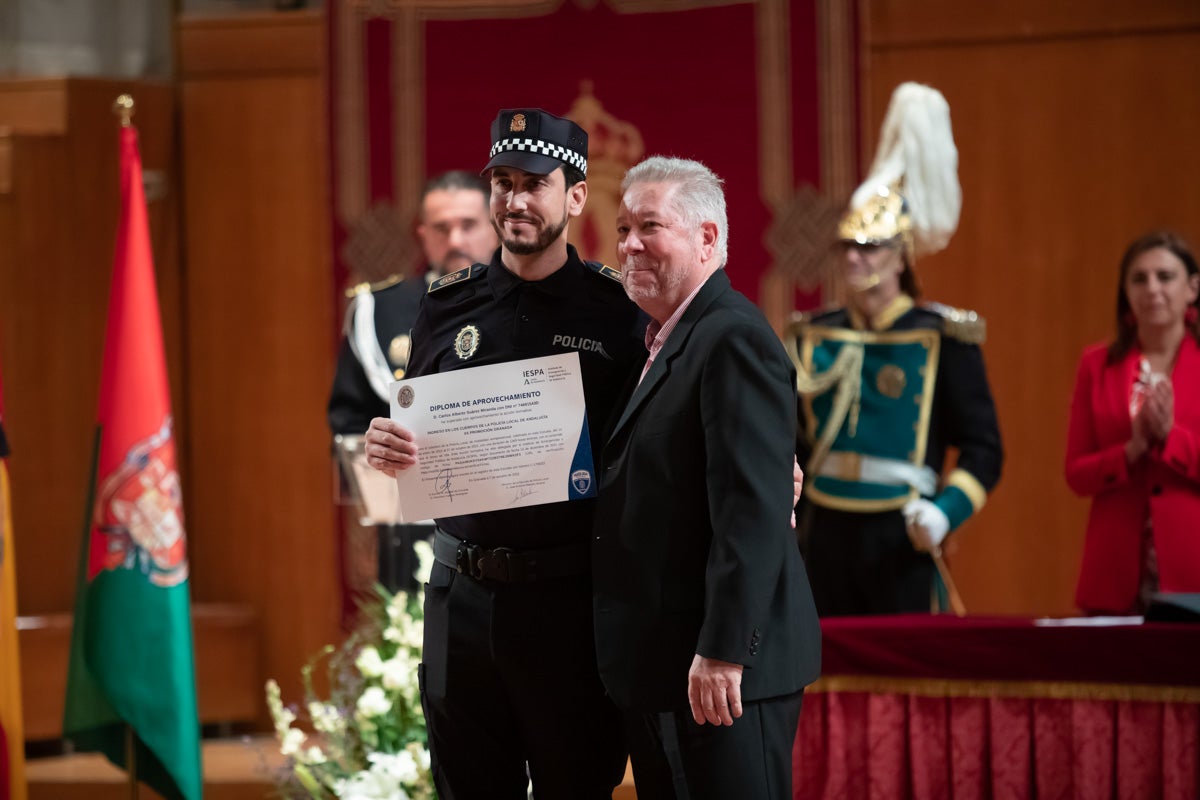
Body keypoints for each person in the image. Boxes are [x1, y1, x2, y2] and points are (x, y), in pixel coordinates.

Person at [363, 108, 647, 799]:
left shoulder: (617, 311)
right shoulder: (444, 306)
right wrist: (388, 446)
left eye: (535, 184)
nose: (515, 200)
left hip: (569, 604)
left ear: (575, 197)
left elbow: (656, 438)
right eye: (503, 182)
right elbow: (418, 429)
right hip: (462, 599)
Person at [591, 156, 821, 799]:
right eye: (622, 229)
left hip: (722, 674)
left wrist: (724, 651)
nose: (628, 244)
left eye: (649, 227)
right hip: (668, 665)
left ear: (707, 238)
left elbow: (752, 511)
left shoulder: (730, 339)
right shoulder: (665, 341)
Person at [787, 82, 1004, 616]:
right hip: (823, 531)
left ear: (900, 257)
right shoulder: (811, 333)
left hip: (901, 530)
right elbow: (791, 439)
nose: (855, 259)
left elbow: (984, 448)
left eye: (870, 248)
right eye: (850, 248)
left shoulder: (942, 336)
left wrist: (946, 512)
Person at [328, 171, 498, 591]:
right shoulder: (381, 312)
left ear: (495, 226)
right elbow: (348, 424)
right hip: (416, 535)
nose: (455, 239)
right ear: (422, 234)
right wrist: (379, 448)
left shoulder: (531, 305)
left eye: (469, 224)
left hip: (513, 530)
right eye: (442, 228)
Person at [1066, 230, 1200, 614]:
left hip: (1191, 571)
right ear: (1125, 291)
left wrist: (1169, 438)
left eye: (1165, 276)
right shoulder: (1097, 365)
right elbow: (1076, 473)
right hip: (1115, 572)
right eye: (1138, 278)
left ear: (1192, 288)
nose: (1152, 289)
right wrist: (1131, 450)